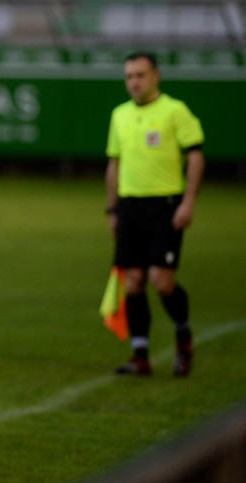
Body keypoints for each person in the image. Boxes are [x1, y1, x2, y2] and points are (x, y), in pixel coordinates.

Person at [104, 52, 205, 377]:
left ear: (156, 76)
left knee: (162, 281)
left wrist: (188, 201)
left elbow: (196, 157)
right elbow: (114, 163)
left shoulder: (174, 111)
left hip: (164, 206)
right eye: (129, 76)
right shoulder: (119, 114)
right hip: (130, 207)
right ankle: (140, 355)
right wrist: (112, 209)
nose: (134, 82)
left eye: (140, 75)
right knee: (133, 281)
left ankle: (183, 335)